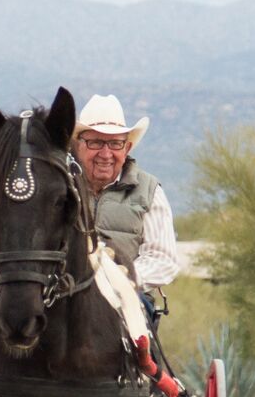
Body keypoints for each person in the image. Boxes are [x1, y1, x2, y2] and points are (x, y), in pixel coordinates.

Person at [69, 94, 180, 312]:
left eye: (115, 143)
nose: (106, 153)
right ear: (77, 146)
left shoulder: (148, 190)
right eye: (96, 142)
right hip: (66, 296)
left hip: (126, 299)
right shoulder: (60, 187)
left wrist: (118, 278)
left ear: (126, 148)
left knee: (139, 334)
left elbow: (163, 259)